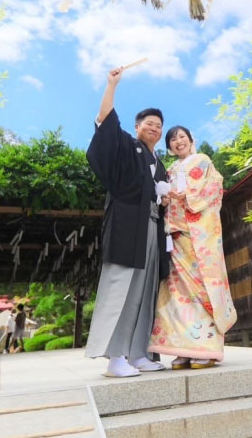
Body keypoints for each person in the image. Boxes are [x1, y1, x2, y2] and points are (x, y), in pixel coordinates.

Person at [84, 66, 171, 377]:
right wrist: (111, 84)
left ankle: (138, 354)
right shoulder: (125, 145)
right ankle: (114, 357)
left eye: (159, 126)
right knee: (120, 289)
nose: (155, 129)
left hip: (150, 230)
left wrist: (164, 195)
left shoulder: (158, 162)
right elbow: (105, 121)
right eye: (149, 124)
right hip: (126, 228)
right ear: (137, 127)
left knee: (145, 293)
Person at [150, 126, 236, 369]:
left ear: (190, 140)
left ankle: (207, 348)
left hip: (199, 238)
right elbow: (168, 200)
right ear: (169, 147)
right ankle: (184, 348)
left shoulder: (201, 160)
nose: (178, 142)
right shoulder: (170, 169)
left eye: (182, 137)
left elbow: (209, 191)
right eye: (173, 139)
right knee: (178, 293)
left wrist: (180, 195)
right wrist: (166, 198)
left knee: (203, 289)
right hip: (176, 238)